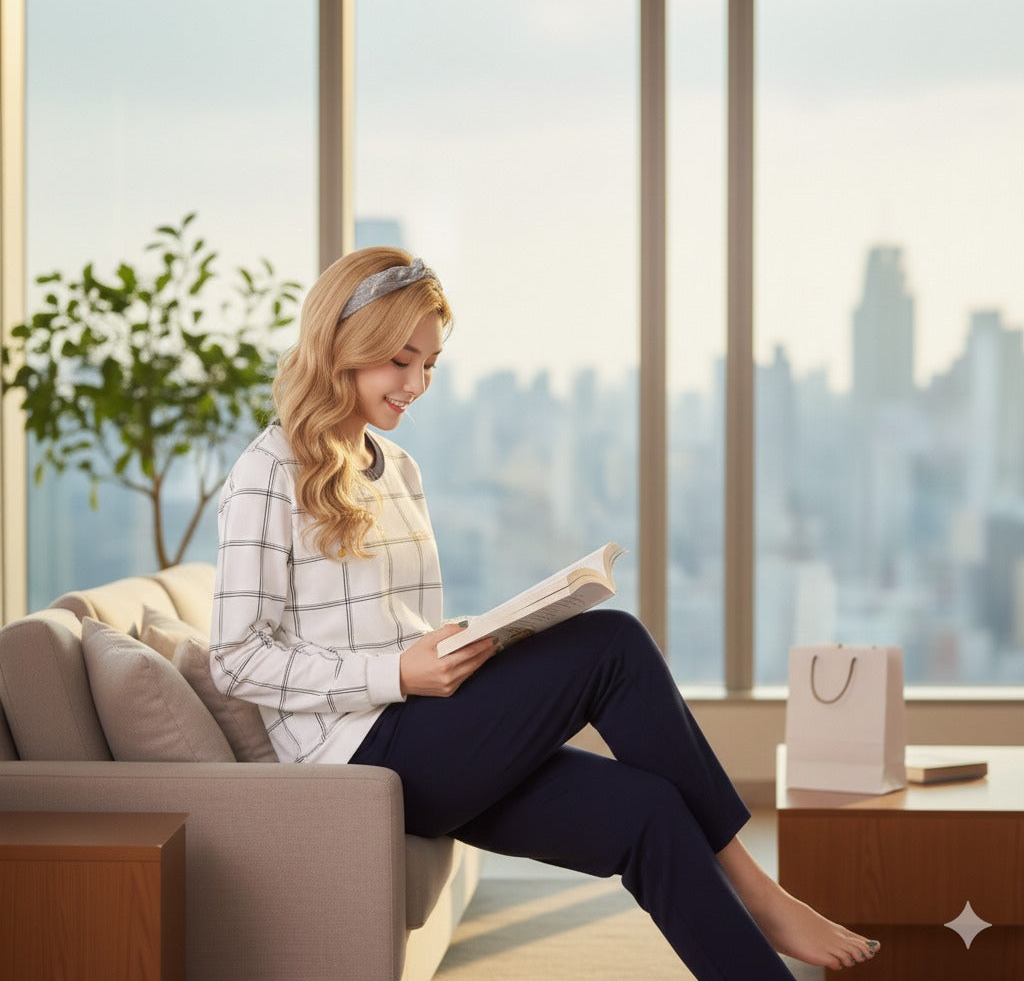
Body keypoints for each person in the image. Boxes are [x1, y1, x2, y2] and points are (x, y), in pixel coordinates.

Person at [210, 247, 880, 979]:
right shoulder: (267, 472)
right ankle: (758, 891)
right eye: (402, 361)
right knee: (613, 645)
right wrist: (395, 670)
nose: (417, 384)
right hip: (358, 761)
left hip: (427, 730)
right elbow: (236, 657)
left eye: (430, 364)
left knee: (648, 816)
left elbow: (385, 621)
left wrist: (459, 647)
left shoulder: (397, 467)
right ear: (344, 346)